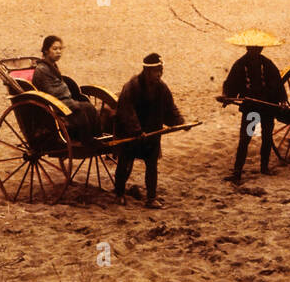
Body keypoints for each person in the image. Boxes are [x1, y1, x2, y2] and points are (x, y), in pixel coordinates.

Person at [114, 53, 185, 209]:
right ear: (146, 71)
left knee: (152, 165)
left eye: (161, 70)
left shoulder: (162, 87)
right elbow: (127, 112)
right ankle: (119, 193)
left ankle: (151, 198)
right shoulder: (132, 86)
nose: (159, 74)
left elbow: (169, 108)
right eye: (155, 71)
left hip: (152, 133)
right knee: (125, 164)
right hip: (130, 134)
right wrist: (136, 131)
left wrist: (179, 122)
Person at [221, 44, 284, 184]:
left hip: (267, 108)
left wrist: (281, 99)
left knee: (267, 137)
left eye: (257, 49)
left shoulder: (267, 64)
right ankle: (237, 171)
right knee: (246, 138)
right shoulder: (241, 64)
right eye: (252, 49)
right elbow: (231, 82)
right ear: (248, 49)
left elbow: (277, 83)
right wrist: (227, 96)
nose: (255, 51)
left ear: (261, 49)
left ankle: (264, 167)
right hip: (252, 110)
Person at [30, 36, 102, 146]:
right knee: (81, 109)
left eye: (60, 49)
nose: (58, 52)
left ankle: (96, 136)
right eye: (54, 49)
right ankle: (86, 140)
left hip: (62, 100)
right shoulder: (41, 69)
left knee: (89, 107)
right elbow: (50, 90)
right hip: (53, 103)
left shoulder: (51, 66)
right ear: (45, 50)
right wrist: (68, 99)